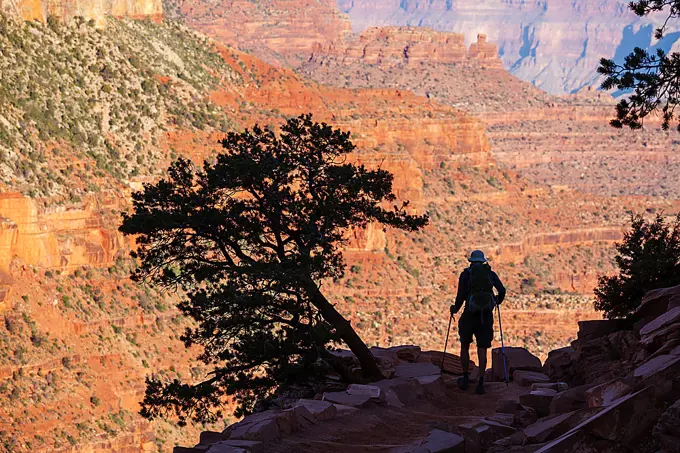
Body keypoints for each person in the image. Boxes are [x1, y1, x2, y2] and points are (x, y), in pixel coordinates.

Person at [450, 250, 506, 395]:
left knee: (465, 345)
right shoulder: (490, 274)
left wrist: (455, 309)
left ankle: (465, 378)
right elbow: (502, 290)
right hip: (486, 316)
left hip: (469, 315)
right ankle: (481, 382)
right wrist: (496, 302)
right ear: (482, 261)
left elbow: (461, 296)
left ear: (471, 262)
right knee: (482, 349)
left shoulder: (466, 275)